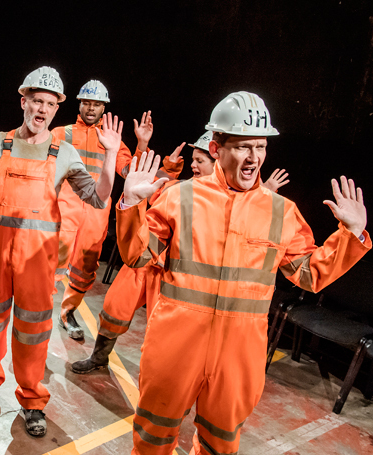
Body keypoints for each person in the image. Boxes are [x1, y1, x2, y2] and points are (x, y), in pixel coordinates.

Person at [117, 91, 370, 455]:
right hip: (174, 346)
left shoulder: (282, 212)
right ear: (217, 148)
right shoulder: (179, 198)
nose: (254, 158)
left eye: (261, 146)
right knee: (153, 438)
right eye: (243, 147)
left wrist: (351, 236)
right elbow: (138, 256)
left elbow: (309, 275)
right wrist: (131, 204)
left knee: (220, 444)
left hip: (238, 356)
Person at [0, 66, 123, 437]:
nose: (41, 109)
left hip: (37, 265)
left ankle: (31, 400)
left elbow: (99, 196)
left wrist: (110, 157)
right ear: (23, 101)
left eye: (49, 103)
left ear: (57, 108)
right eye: (36, 101)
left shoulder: (64, 152)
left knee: (33, 335)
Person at [71, 130, 289, 374]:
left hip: (169, 275)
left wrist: (262, 193)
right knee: (114, 309)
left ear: (218, 162)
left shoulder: (228, 205)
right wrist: (166, 165)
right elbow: (152, 181)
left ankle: (154, 381)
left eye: (200, 161)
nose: (193, 165)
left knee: (160, 331)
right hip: (143, 263)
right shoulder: (178, 189)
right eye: (193, 159)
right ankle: (99, 357)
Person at [50, 80, 138, 340]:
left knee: (85, 268)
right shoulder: (61, 133)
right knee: (51, 263)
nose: (91, 108)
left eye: (97, 104)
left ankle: (68, 312)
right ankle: (39, 308)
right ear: (79, 103)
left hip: (96, 215)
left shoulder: (111, 140)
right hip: (64, 210)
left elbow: (128, 170)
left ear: (104, 107)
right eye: (87, 102)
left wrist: (142, 145)